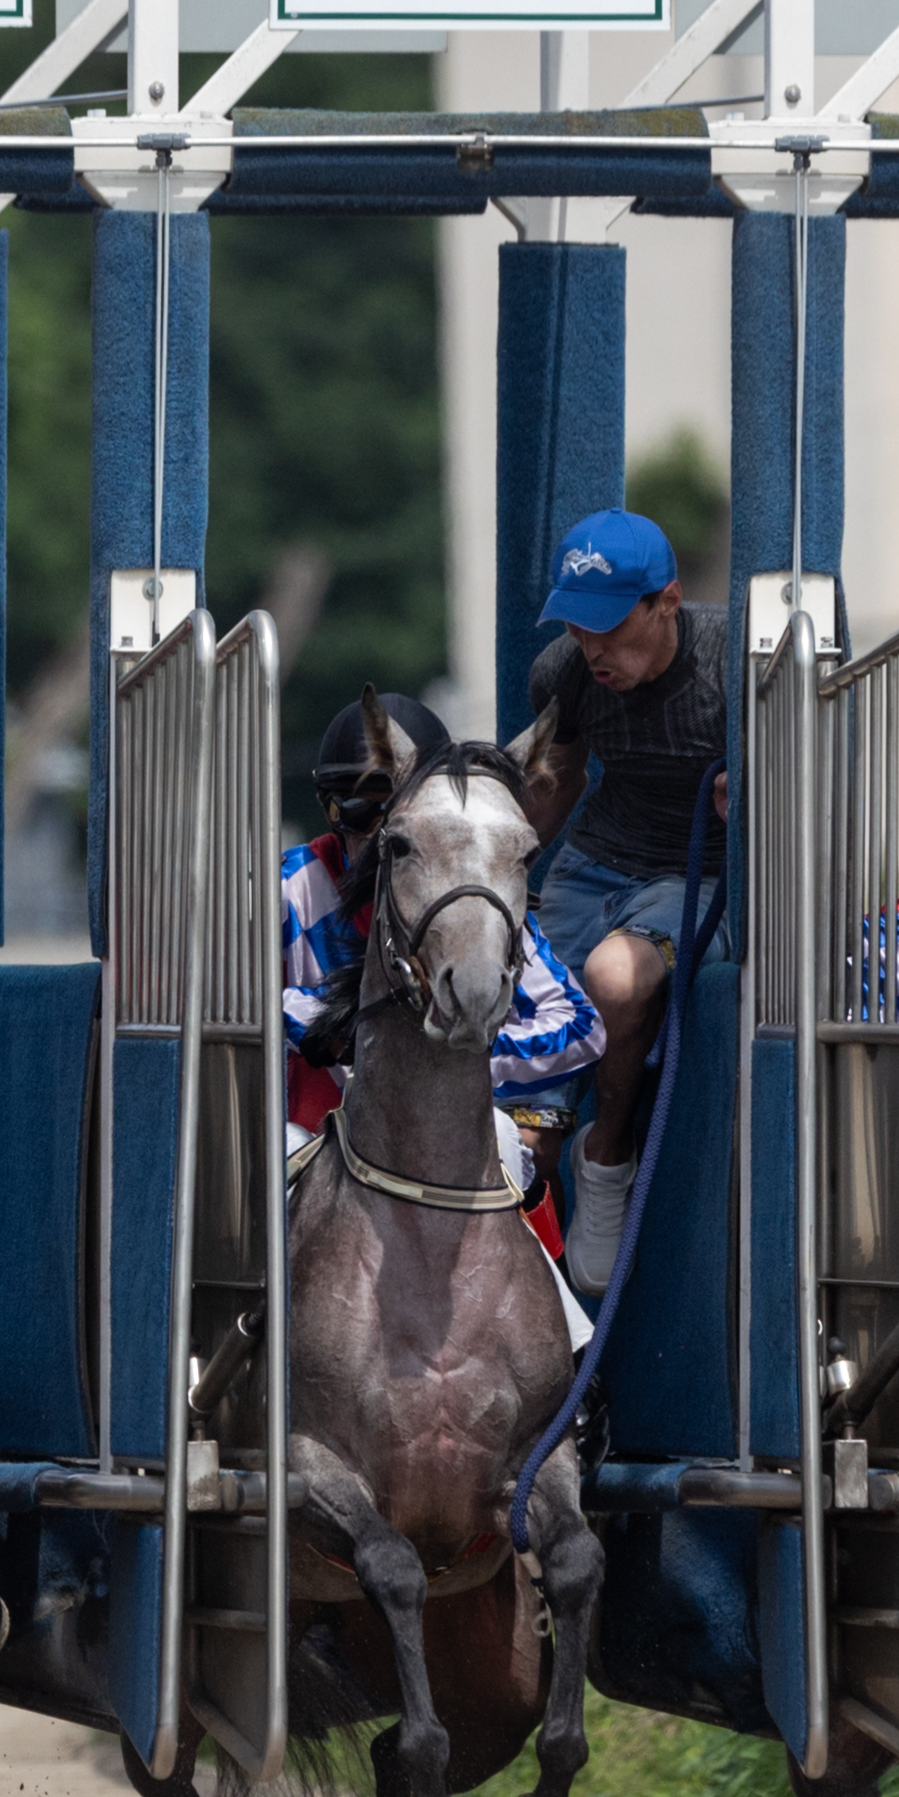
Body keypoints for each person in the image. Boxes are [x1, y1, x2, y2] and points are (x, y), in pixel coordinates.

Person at [280, 687, 607, 1259]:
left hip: (444, 1133)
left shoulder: (471, 905)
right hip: (310, 1138)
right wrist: (330, 1024)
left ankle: (565, 1326)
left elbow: (582, 1024)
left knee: (508, 1141)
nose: (377, 835)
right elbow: (223, 998)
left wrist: (468, 1044)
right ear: (328, 809)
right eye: (357, 810)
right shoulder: (284, 888)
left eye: (395, 812)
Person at [511, 511, 729, 1288]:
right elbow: (561, 779)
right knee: (512, 998)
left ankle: (605, 1160)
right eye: (577, 623)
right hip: (597, 863)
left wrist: (765, 795)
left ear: (666, 601)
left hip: (699, 873)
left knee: (614, 977)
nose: (592, 645)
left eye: (608, 625)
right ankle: (517, 1189)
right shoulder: (564, 672)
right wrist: (510, 884)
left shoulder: (731, 663)